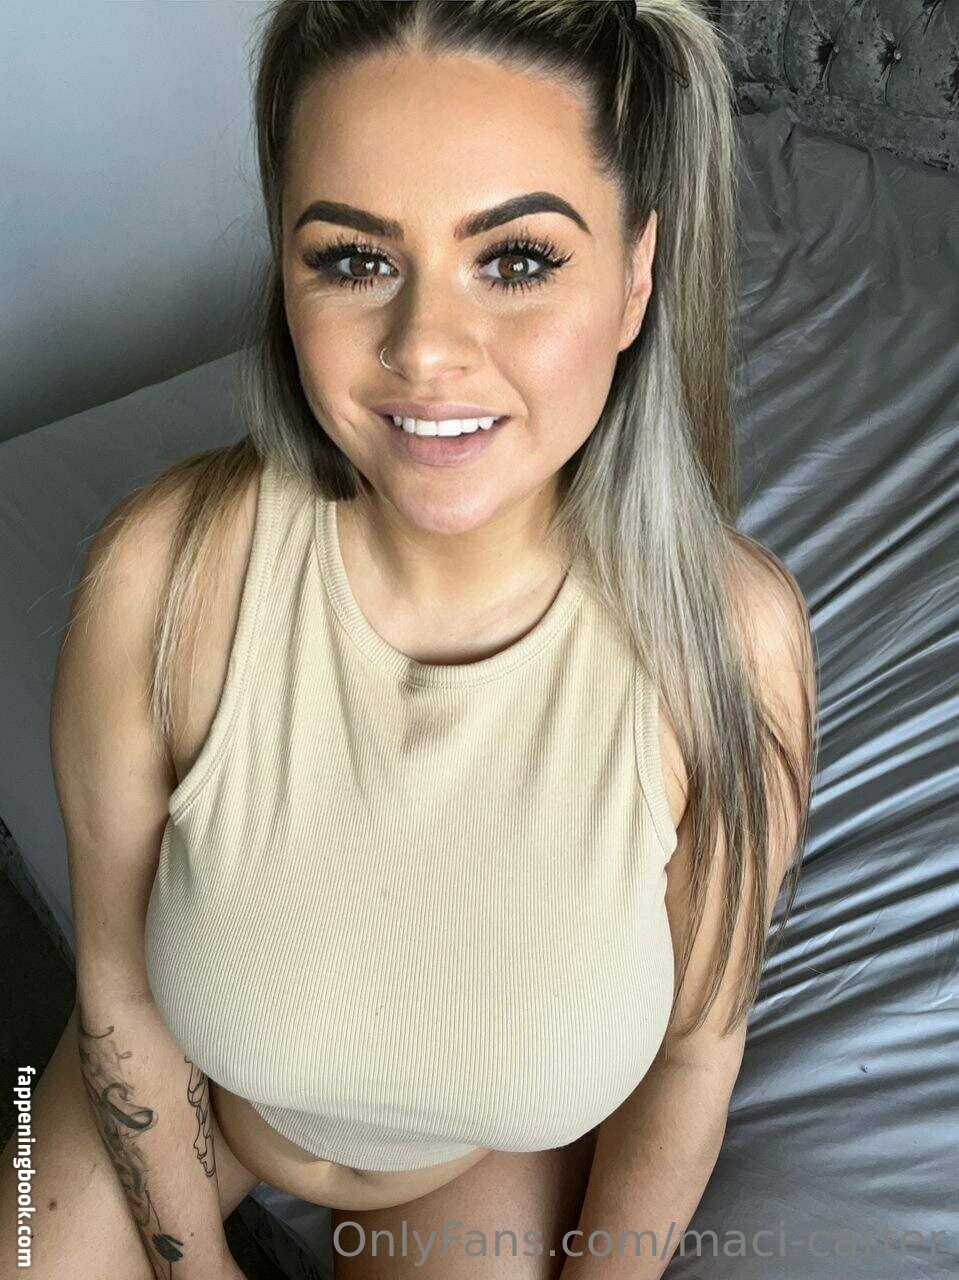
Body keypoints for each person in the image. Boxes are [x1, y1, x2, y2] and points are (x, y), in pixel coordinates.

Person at [0, 2, 817, 1277]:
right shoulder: (158, 576)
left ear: (633, 277)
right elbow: (114, 989)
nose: (426, 350)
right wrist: (194, 1267)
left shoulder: (728, 646)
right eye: (353, 259)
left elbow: (690, 1058)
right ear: (285, 270)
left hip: (464, 1164)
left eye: (517, 259)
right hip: (185, 1096)